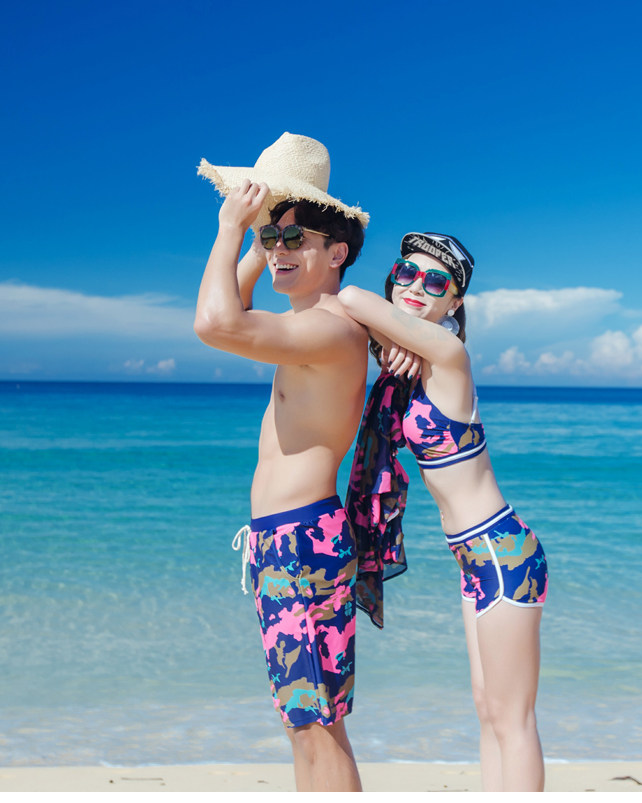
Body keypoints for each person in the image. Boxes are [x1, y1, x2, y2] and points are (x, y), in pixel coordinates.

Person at [339, 233, 548, 792]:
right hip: (474, 558)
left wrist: (395, 331)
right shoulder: (411, 360)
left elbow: (353, 297)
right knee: (487, 708)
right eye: (406, 272)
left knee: (513, 718)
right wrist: (394, 335)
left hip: (502, 554)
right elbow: (355, 310)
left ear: (455, 301)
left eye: (436, 281)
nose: (416, 286)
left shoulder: (449, 356)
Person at [194, 133, 369, 792]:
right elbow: (234, 309)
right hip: (284, 540)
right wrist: (258, 236)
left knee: (319, 726)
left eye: (296, 238)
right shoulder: (304, 324)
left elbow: (215, 323)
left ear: (337, 252)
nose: (279, 250)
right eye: (274, 237)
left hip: (302, 541)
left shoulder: (329, 327)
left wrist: (230, 228)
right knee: (302, 722)